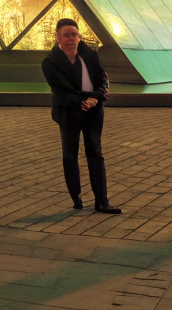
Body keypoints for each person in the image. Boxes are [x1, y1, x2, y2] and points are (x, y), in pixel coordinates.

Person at [41, 19, 119, 214]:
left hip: (93, 109)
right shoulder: (50, 62)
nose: (70, 39)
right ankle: (76, 197)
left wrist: (96, 97)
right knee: (70, 154)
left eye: (74, 34)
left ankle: (102, 201)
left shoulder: (89, 54)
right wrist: (82, 101)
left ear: (79, 36)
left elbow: (102, 77)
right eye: (66, 35)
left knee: (96, 153)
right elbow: (60, 90)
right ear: (58, 37)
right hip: (69, 111)